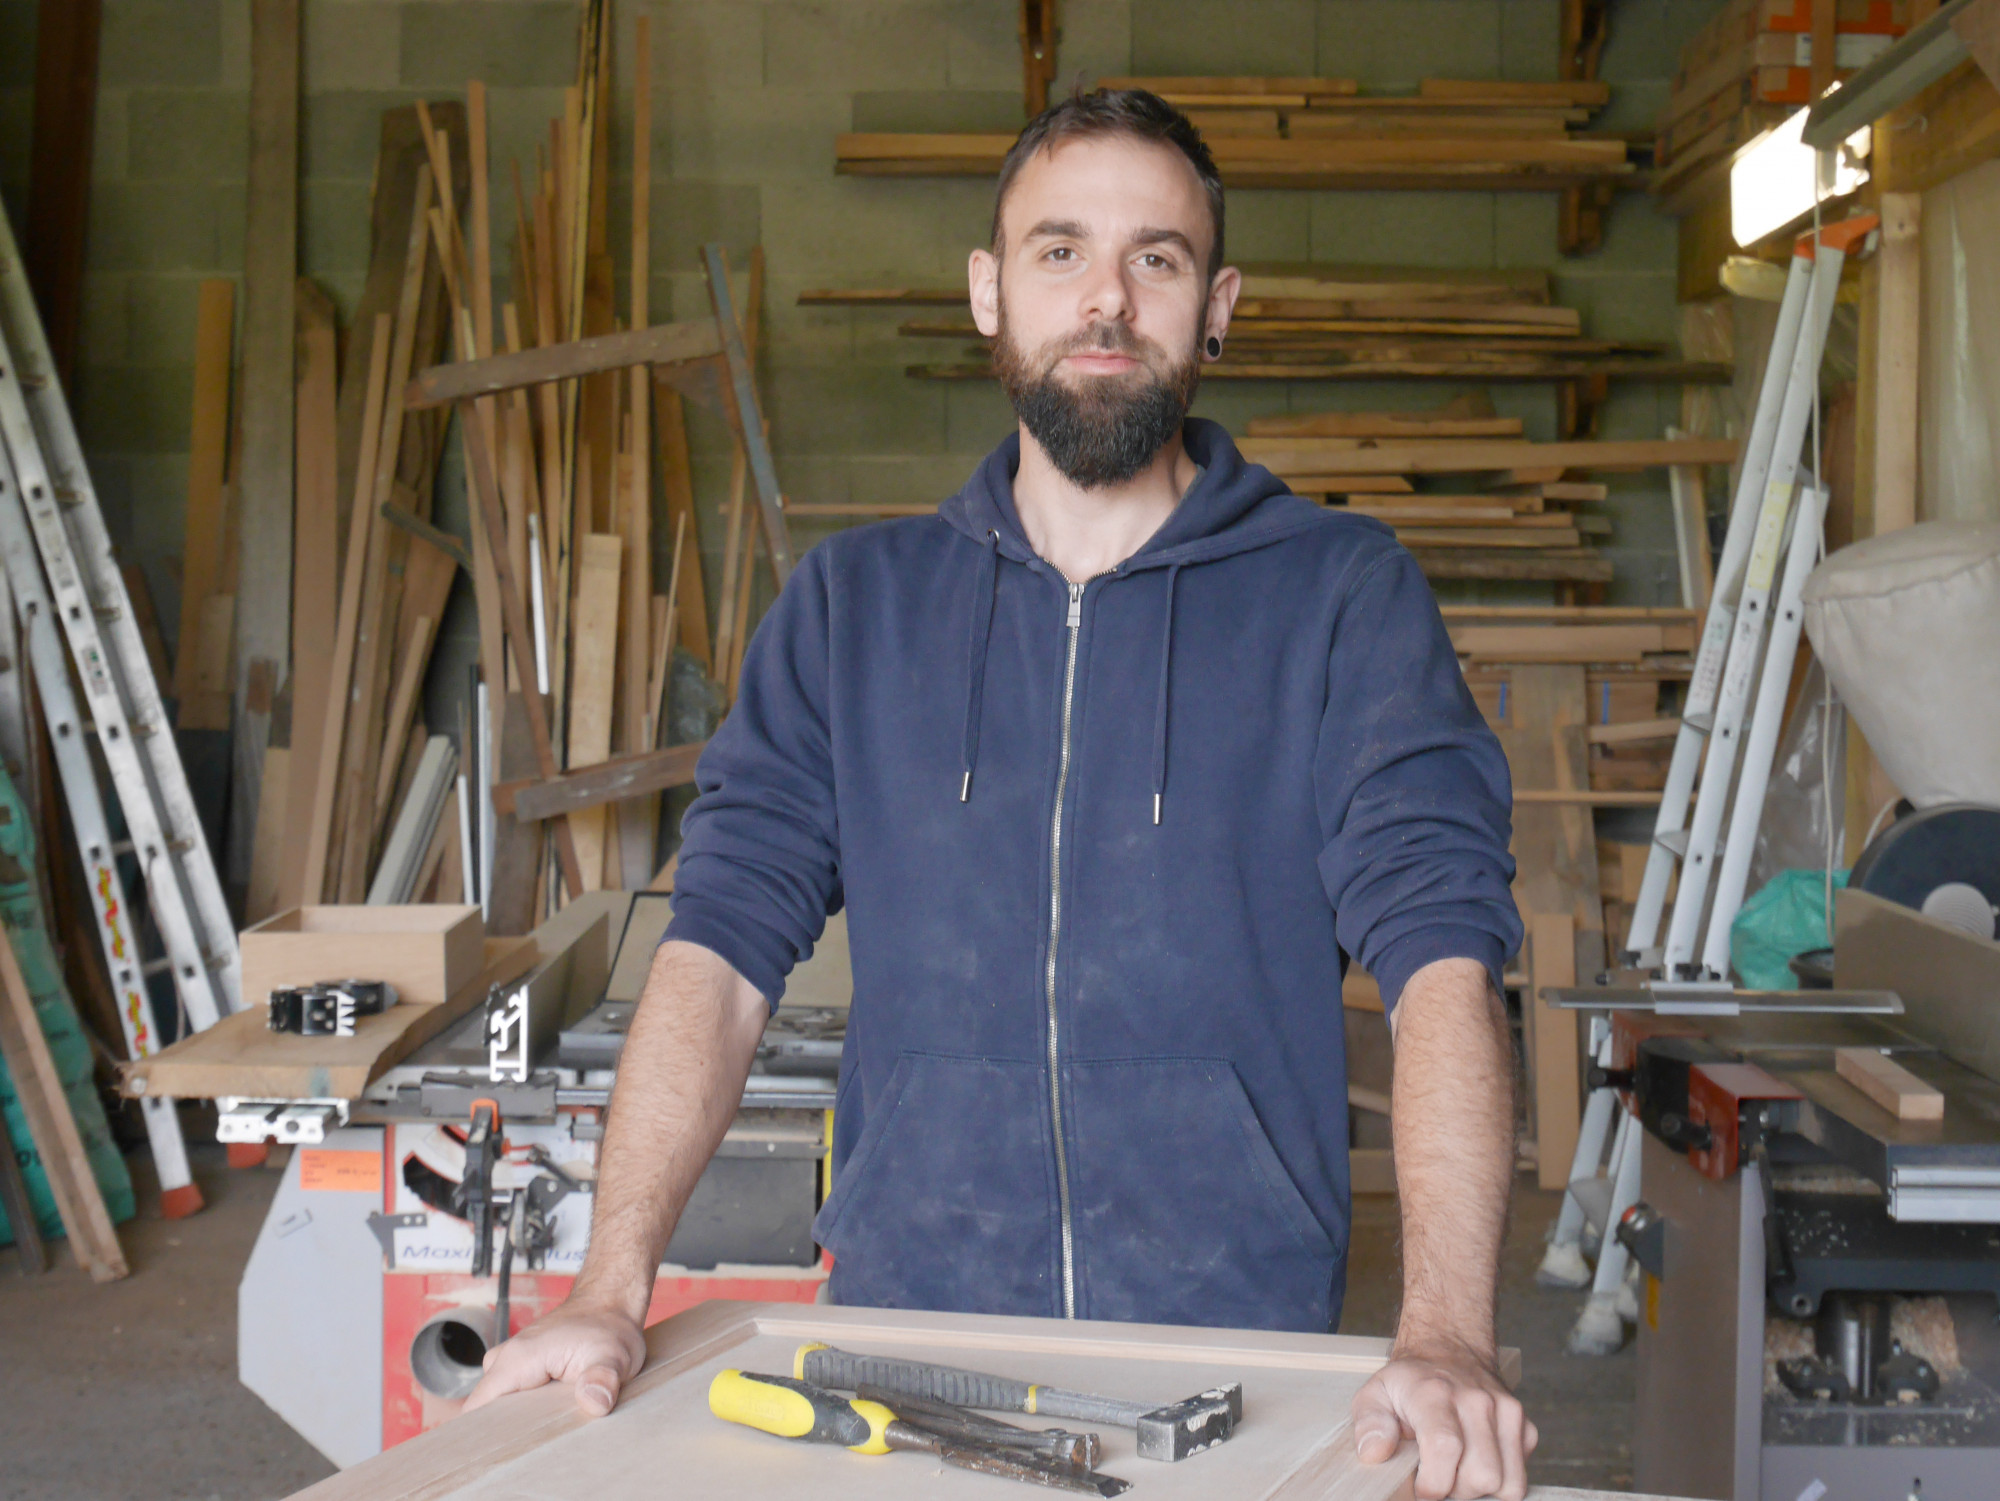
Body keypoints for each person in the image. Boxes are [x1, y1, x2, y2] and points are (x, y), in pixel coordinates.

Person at [469, 88, 1533, 1500]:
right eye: (1060, 251)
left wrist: (1447, 1334)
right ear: (989, 291)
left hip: (1239, 1353)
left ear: (1217, 308)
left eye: (1156, 259)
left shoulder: (1342, 598)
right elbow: (716, 955)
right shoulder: (853, 607)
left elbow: (1439, 959)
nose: (1107, 299)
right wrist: (609, 1287)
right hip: (911, 1347)